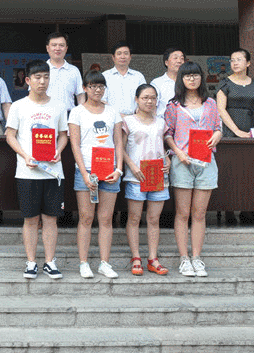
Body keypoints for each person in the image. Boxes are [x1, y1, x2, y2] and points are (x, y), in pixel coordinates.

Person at [5, 60, 68, 279]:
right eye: (38, 77)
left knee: (51, 218)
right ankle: (31, 262)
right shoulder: (18, 106)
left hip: (53, 171)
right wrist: (25, 156)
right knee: (31, 219)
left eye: (46, 77)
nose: (42, 81)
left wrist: (58, 151)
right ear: (28, 80)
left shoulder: (59, 106)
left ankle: (50, 262)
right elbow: (10, 135)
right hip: (27, 172)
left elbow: (63, 135)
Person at [164, 61, 222, 277]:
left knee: (199, 213)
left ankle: (197, 258)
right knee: (182, 213)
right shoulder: (173, 105)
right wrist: (178, 152)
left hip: (206, 162)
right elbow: (167, 133)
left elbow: (218, 127)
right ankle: (184, 259)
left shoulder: (210, 103)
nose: (192, 79)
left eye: (195, 75)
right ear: (181, 79)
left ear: (201, 78)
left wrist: (217, 136)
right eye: (187, 75)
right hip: (183, 162)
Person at [68, 70, 124, 279]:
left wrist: (119, 169)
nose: (97, 90)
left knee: (106, 218)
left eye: (101, 86)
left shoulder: (112, 112)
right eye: (92, 86)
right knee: (86, 217)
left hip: (109, 169)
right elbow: (75, 144)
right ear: (85, 88)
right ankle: (83, 263)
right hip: (87, 169)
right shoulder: (77, 112)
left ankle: (104, 263)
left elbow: (118, 142)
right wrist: (83, 172)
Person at [122, 84, 171, 277]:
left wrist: (167, 159)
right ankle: (136, 257)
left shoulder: (161, 122)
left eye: (153, 98)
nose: (149, 101)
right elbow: (120, 148)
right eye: (145, 98)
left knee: (153, 219)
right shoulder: (128, 122)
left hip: (157, 176)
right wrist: (132, 166)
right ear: (136, 99)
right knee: (134, 218)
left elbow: (163, 146)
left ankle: (153, 259)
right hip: (136, 176)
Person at [216, 48, 254, 138]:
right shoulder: (225, 83)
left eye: (239, 60)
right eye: (232, 60)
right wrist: (236, 131)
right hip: (230, 131)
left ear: (248, 63)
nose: (235, 63)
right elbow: (221, 109)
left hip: (250, 130)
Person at [103, 41, 146, 116]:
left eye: (126, 53)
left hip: (134, 118)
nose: (122, 57)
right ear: (113, 57)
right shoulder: (105, 76)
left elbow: (144, 97)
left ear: (130, 57)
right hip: (111, 118)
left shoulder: (138, 76)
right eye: (119, 54)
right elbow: (102, 100)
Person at [45, 32, 84, 111]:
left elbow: (80, 96)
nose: (58, 48)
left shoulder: (74, 70)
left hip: (69, 114)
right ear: (48, 48)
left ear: (66, 48)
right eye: (54, 45)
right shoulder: (41, 69)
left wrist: (81, 114)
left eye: (61, 45)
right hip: (45, 114)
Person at [150, 48, 185, 118]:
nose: (179, 61)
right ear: (166, 62)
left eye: (182, 58)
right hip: (163, 122)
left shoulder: (188, 82)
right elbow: (151, 107)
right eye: (175, 58)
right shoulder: (157, 83)